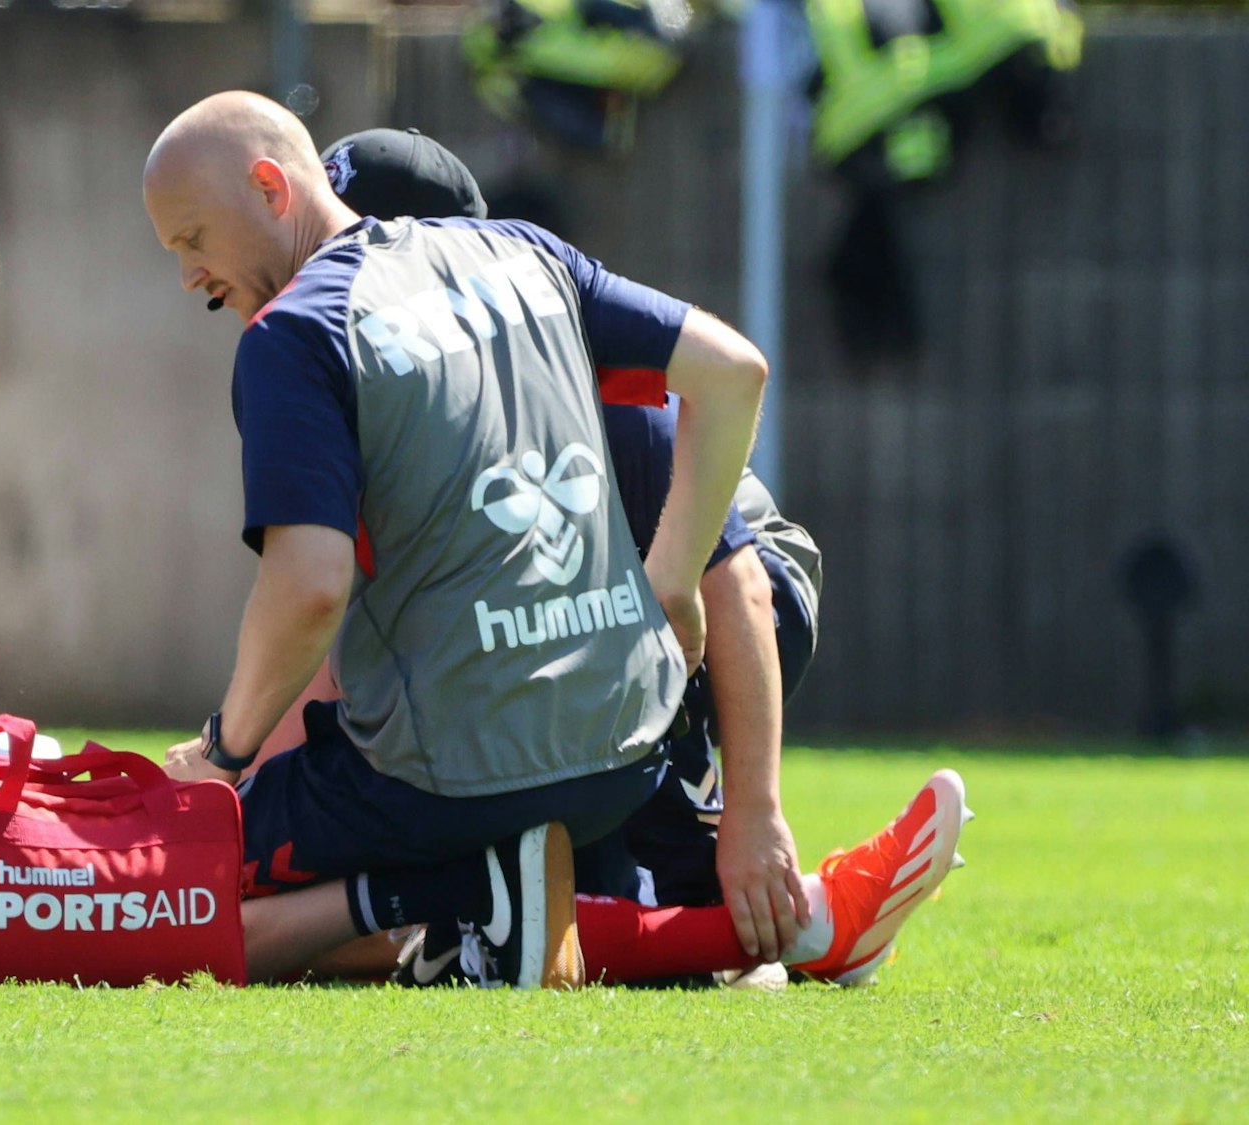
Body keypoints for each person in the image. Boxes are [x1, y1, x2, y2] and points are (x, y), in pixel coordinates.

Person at [305, 127, 963, 990]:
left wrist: (755, 813)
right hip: (573, 640)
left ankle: (759, 908)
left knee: (600, 648)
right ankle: (795, 924)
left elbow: (733, 580)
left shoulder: (554, 373)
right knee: (520, 874)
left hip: (722, 596)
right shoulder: (361, 390)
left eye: (349, 247)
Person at [143, 90, 771, 988]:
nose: (187, 276)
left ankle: (458, 891)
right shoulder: (527, 252)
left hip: (442, 779)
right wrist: (669, 580)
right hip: (623, 753)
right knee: (552, 879)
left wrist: (223, 754)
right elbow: (736, 370)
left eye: (192, 239)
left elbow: (311, 586)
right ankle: (537, 909)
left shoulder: (294, 330)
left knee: (174, 884)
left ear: (271, 188)